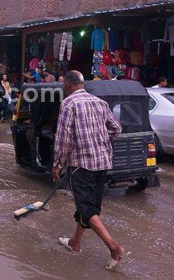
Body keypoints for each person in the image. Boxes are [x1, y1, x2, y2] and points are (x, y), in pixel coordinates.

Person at [52, 71, 125, 270]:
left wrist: (57, 164)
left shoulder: (69, 104)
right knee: (88, 206)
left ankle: (114, 248)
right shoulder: (100, 103)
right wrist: (99, 140)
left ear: (67, 84)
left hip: (82, 164)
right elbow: (116, 128)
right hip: (102, 163)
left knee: (87, 208)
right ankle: (75, 242)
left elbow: (64, 139)